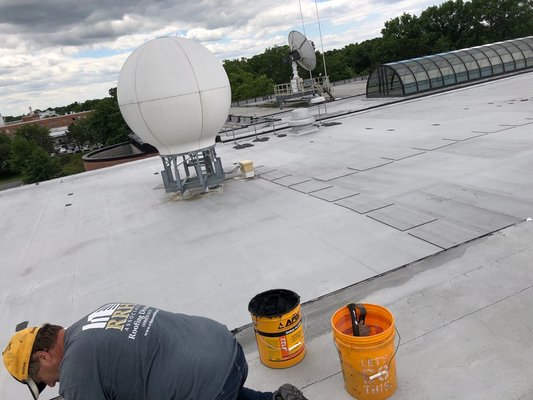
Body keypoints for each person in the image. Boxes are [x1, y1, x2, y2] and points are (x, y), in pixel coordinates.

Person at [2, 302, 309, 400]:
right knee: (201, 387)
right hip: (227, 350)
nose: (52, 385)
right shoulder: (94, 317)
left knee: (202, 390)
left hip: (208, 383)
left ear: (44, 357)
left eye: (43, 379)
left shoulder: (75, 372)